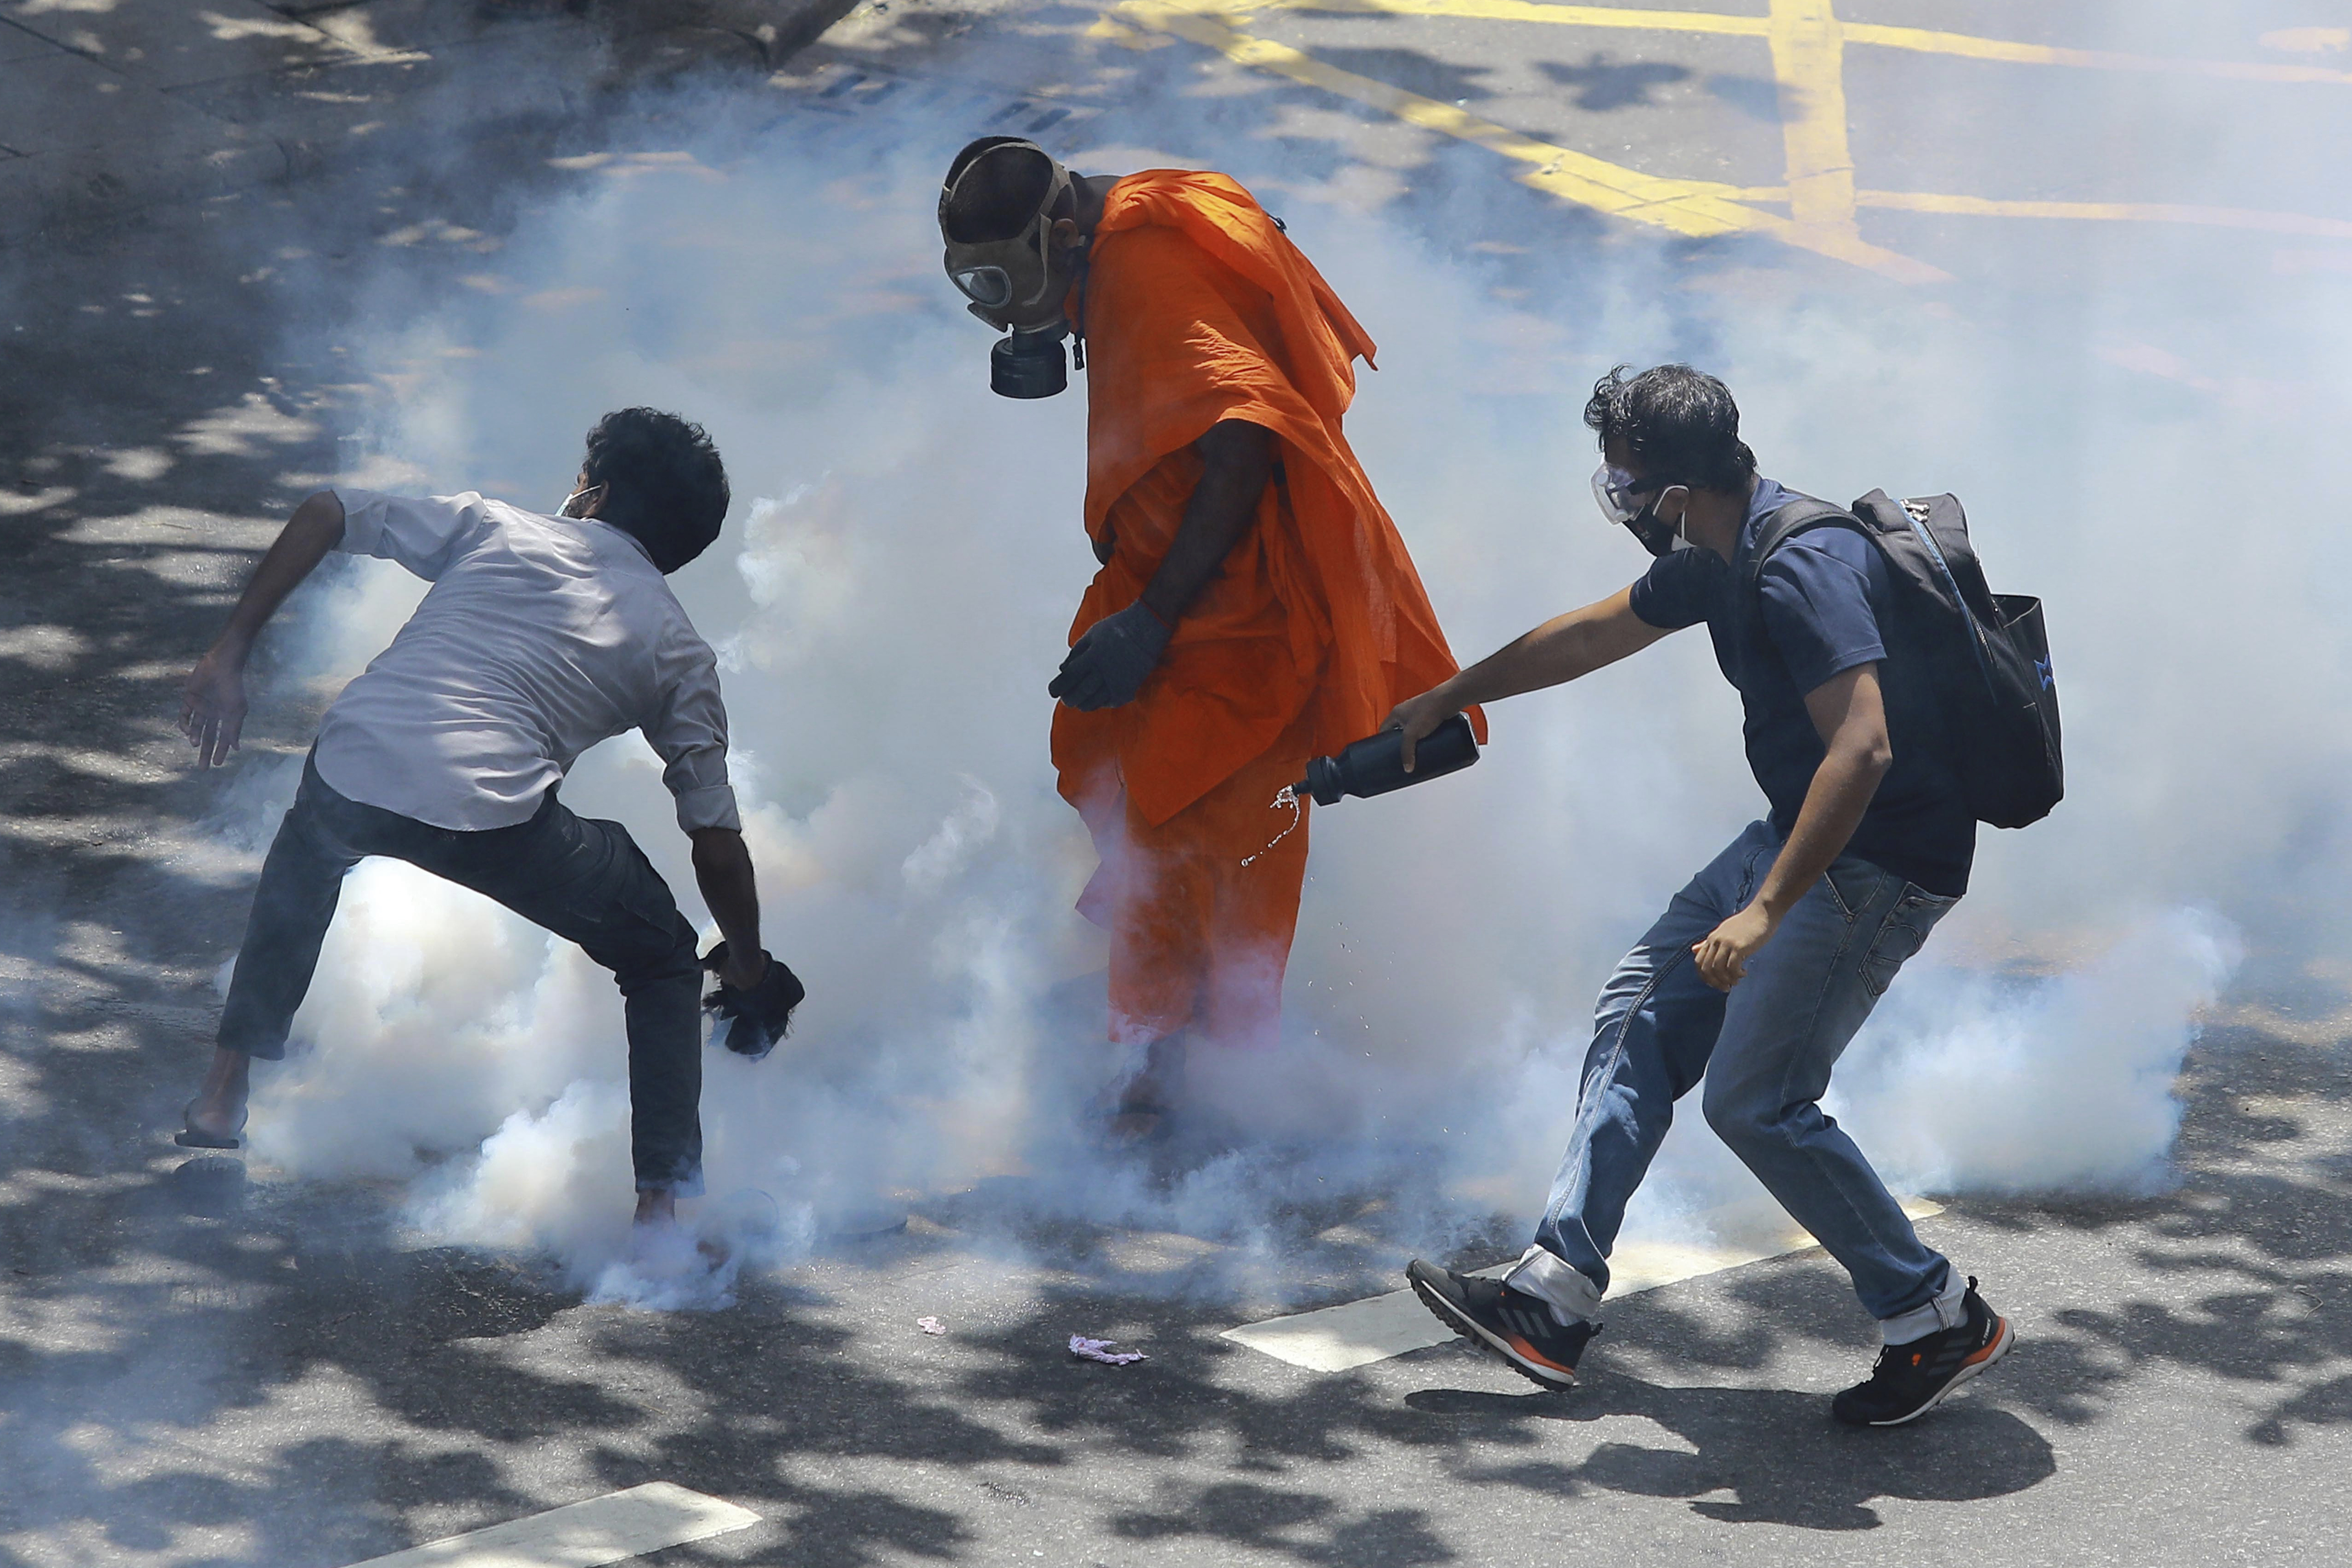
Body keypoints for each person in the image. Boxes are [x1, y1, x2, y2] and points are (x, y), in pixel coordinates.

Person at [1391, 365, 2014, 1426]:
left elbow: (1863, 747)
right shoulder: (1718, 554)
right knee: (1639, 1014)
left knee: (1755, 1103)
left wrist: (1764, 911)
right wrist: (1455, 692)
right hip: (1798, 835)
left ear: (1677, 493)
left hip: (1878, 861)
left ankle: (1935, 1314)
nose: (1621, 505)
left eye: (1627, 487)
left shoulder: (1798, 567)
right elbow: (1594, 632)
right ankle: (1552, 1295)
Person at [936, 138, 1476, 1139]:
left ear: (1062, 233)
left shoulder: (1147, 269)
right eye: (976, 287)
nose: (999, 309)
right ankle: (1188, 1044)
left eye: (1003, 283)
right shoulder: (1112, 234)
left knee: (1198, 836)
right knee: (1160, 816)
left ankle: (1186, 1072)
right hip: (1171, 590)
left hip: (1232, 615)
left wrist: (1153, 621)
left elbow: (1243, 435)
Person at [175, 408, 771, 1232]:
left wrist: (229, 652)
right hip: (493, 819)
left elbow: (326, 510)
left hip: (352, 763)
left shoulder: (495, 527)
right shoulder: (678, 647)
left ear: (594, 494)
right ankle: (658, 1218)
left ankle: (221, 1095)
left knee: (308, 855)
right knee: (664, 955)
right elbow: (716, 844)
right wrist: (746, 964)